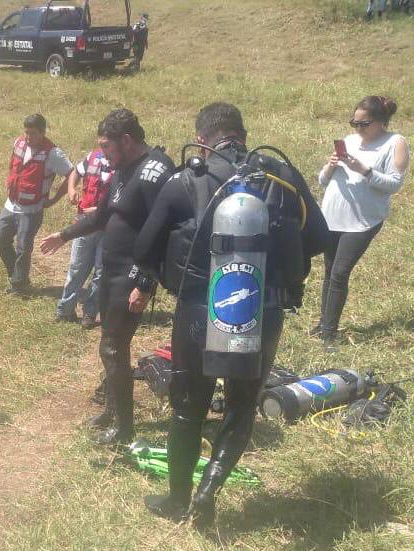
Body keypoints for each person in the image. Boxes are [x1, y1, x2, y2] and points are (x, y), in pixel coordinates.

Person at [134, 102, 329, 526]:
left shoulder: (187, 179)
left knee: (188, 409)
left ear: (202, 140)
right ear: (242, 132)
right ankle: (209, 492)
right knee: (240, 407)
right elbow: (318, 237)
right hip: (266, 306)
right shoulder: (282, 176)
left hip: (200, 310)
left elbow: (144, 248)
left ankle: (177, 499)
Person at [41, 109, 174, 446]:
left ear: (126, 141)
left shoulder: (154, 173)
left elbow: (165, 233)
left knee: (113, 348)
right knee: (111, 348)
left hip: (130, 275)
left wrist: (146, 283)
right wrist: (64, 234)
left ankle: (125, 429)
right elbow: (102, 216)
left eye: (107, 147)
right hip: (110, 272)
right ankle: (114, 409)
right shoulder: (123, 170)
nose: (102, 154)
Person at [314, 96, 408, 346]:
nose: (357, 128)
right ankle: (324, 322)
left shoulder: (395, 143)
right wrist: (330, 166)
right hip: (332, 216)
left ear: (380, 122)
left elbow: (394, 185)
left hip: (363, 220)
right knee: (329, 271)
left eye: (363, 123)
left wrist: (364, 170)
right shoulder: (348, 141)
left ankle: (329, 334)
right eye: (354, 122)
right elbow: (322, 182)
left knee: (340, 273)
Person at [0, 113, 74, 295]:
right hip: (11, 205)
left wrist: (54, 199)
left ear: (43, 132)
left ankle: (19, 286)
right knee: (0, 241)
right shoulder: (19, 143)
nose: (28, 137)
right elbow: (14, 167)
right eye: (26, 133)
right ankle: (16, 276)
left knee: (23, 248)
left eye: (33, 133)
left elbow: (72, 174)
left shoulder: (53, 153)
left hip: (31, 211)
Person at [54, 130, 115, 327]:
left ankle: (90, 313)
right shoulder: (93, 157)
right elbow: (76, 172)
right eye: (101, 144)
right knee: (77, 266)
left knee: (101, 272)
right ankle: (65, 309)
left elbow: (126, 199)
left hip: (108, 227)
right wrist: (71, 189)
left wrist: (101, 209)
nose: (103, 149)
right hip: (84, 223)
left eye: (107, 145)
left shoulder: (124, 165)